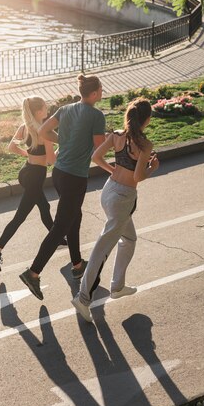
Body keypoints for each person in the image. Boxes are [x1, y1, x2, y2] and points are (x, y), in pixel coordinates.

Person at [71, 97, 159, 322]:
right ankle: (82, 298)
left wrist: (113, 170)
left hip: (109, 191)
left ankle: (117, 286)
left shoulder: (117, 136)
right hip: (123, 199)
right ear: (146, 120)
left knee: (129, 239)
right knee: (102, 249)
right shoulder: (144, 145)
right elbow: (138, 177)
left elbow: (95, 157)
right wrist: (152, 167)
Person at [19, 74, 105, 300]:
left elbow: (43, 131)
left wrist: (65, 141)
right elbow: (98, 149)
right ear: (94, 93)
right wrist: (115, 140)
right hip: (75, 178)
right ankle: (33, 272)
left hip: (58, 174)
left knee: (73, 218)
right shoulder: (96, 115)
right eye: (101, 89)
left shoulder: (66, 109)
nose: (102, 91)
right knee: (60, 227)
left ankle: (77, 265)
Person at [0, 96, 57, 272]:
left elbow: (11, 147)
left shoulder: (25, 128)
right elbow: (50, 160)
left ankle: (57, 239)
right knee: (20, 217)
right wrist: (61, 150)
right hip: (36, 176)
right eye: (45, 107)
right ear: (39, 111)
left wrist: (28, 154)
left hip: (25, 173)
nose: (47, 109)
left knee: (44, 206)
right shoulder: (44, 131)